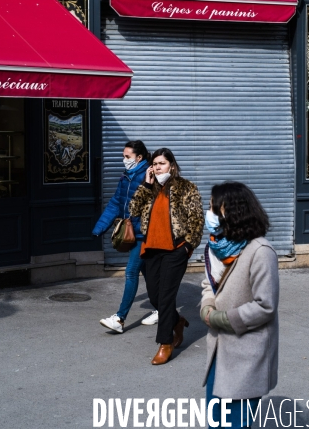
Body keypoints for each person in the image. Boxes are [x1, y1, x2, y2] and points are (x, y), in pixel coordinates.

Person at [200, 181, 279, 428]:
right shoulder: (216, 248)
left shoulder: (261, 251)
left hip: (246, 353)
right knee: (215, 421)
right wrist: (206, 306)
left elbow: (265, 305)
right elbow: (208, 284)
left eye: (215, 208)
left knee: (234, 423)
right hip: (218, 350)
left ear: (233, 211)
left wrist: (222, 319)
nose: (209, 214)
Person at [129, 148, 204, 365]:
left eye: (161, 163)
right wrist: (145, 184)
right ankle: (177, 321)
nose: (157, 167)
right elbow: (132, 210)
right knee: (154, 296)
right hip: (151, 249)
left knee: (166, 297)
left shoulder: (186, 188)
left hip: (175, 250)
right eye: (154, 164)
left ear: (171, 164)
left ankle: (165, 343)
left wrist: (188, 246)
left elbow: (196, 220)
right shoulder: (148, 188)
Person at [92, 140, 158, 333]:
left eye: (127, 156)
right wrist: (99, 228)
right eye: (123, 156)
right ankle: (162, 308)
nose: (124, 160)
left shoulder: (148, 175)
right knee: (145, 272)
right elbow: (115, 203)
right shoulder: (126, 177)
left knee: (131, 272)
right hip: (133, 232)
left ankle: (119, 319)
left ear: (139, 158)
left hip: (144, 234)